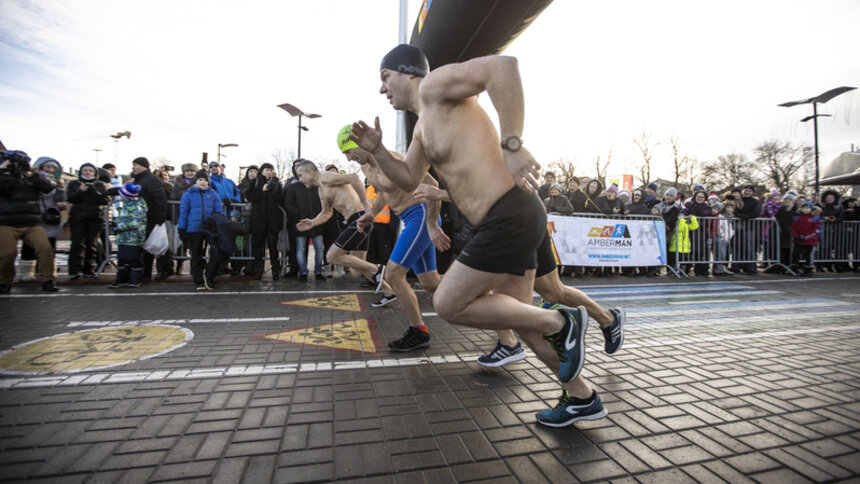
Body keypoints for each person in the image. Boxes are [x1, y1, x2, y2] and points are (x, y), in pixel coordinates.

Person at [350, 44, 610, 426]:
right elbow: (408, 178)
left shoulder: (436, 85)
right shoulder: (422, 128)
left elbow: (503, 67)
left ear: (408, 73)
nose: (382, 89)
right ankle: (581, 396)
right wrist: (378, 150)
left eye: (384, 78)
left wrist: (512, 145)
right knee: (522, 318)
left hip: (510, 212)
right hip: (503, 219)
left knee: (450, 302)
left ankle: (563, 323)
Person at [338, 125, 444, 351]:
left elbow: (433, 185)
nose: (349, 158)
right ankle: (477, 285)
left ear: (358, 143)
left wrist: (432, 224)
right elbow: (385, 191)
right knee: (430, 282)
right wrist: (371, 214)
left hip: (422, 215)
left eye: (348, 151)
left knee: (394, 274)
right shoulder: (367, 168)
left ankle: (419, 331)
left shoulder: (393, 159)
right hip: (411, 219)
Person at [295, 160, 394, 294]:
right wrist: (312, 222)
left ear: (310, 172)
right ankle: (389, 292)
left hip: (359, 219)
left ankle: (377, 269)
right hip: (356, 221)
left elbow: (353, 177)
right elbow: (326, 213)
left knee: (331, 257)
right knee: (359, 265)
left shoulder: (324, 177)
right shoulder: (321, 190)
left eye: (301, 175)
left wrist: (365, 203)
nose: (300, 180)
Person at [0, 150, 59, 292]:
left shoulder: (32, 176)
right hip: (7, 222)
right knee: (7, 254)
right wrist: (3, 170)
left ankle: (48, 280)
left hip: (32, 222)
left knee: (45, 248)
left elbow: (49, 187)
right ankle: (4, 281)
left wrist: (33, 174)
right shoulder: (5, 176)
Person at [18, 157, 67, 283]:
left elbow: (60, 198)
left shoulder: (56, 180)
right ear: (40, 167)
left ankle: (47, 271)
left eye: (53, 168)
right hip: (34, 214)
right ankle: (26, 271)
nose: (50, 170)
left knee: (49, 245)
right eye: (48, 167)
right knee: (29, 244)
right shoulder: (32, 178)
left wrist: (61, 187)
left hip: (50, 215)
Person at [178, 170, 224, 290]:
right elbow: (184, 212)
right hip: (194, 229)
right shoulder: (188, 195)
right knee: (196, 255)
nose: (203, 183)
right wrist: (181, 228)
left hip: (210, 230)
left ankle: (209, 276)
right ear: (196, 181)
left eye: (205, 180)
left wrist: (216, 223)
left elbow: (219, 211)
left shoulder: (213, 194)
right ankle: (198, 280)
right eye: (200, 180)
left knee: (215, 253)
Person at [66, 162, 109, 279]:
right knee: (77, 244)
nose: (88, 173)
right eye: (85, 171)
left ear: (95, 173)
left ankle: (88, 269)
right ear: (80, 172)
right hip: (77, 218)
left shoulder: (100, 184)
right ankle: (74, 270)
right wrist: (81, 190)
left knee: (92, 244)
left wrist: (92, 189)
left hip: (94, 218)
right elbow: (70, 199)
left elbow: (104, 200)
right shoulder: (74, 183)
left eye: (90, 171)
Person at [132, 157, 170, 281]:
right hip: (143, 218)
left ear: (143, 166)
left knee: (158, 245)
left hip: (152, 218)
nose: (133, 168)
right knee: (147, 246)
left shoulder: (151, 180)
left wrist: (160, 219)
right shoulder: (141, 179)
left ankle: (166, 269)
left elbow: (160, 199)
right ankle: (146, 272)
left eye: (135, 165)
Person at [246, 163, 283, 281]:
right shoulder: (255, 183)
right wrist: (262, 191)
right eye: (266, 170)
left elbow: (280, 199)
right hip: (258, 221)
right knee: (259, 247)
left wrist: (276, 186)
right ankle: (259, 270)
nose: (268, 172)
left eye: (270, 170)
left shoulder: (275, 183)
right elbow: (249, 196)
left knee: (273, 247)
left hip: (272, 221)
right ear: (261, 171)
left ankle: (275, 271)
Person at [108, 183, 147, 288]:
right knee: (122, 258)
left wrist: (118, 227)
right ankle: (122, 279)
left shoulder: (136, 206)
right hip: (124, 238)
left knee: (133, 258)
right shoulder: (125, 205)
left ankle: (135, 280)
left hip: (133, 239)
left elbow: (134, 223)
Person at [731, 185, 761, 275]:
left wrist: (741, 216)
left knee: (749, 248)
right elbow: (733, 211)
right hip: (737, 228)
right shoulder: (738, 200)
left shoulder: (755, 202)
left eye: (749, 191)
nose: (747, 192)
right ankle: (735, 266)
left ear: (752, 192)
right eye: (745, 190)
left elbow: (755, 213)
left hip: (749, 228)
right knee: (736, 247)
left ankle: (750, 267)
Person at [791, 202, 820, 277]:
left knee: (808, 255)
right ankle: (794, 268)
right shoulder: (798, 217)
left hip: (810, 241)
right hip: (798, 240)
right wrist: (796, 235)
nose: (805, 210)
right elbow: (793, 227)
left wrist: (806, 237)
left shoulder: (815, 218)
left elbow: (815, 230)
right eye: (804, 208)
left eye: (807, 208)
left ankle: (808, 269)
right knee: (796, 254)